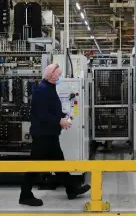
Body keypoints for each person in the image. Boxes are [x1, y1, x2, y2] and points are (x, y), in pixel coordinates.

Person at [19, 63, 91, 206]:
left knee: (59, 163)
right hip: (42, 135)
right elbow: (42, 114)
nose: (61, 77)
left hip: (49, 134)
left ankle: (71, 190)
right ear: (52, 75)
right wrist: (59, 121)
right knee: (34, 166)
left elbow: (51, 110)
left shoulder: (49, 88)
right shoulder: (42, 90)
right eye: (59, 74)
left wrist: (64, 116)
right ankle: (25, 195)